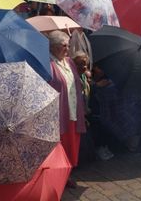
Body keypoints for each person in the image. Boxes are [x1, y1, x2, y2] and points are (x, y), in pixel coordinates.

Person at [47, 31, 86, 188]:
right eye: (64, 45)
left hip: (73, 111)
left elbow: (76, 82)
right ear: (54, 47)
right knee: (60, 146)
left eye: (68, 45)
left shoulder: (69, 62)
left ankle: (68, 174)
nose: (67, 48)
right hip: (59, 114)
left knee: (72, 144)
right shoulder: (49, 64)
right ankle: (59, 178)